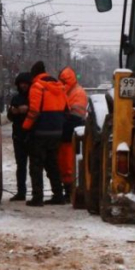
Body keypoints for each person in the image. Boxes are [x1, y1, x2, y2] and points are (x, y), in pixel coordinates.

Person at [22, 61, 68, 207]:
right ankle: (58, 195)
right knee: (52, 164)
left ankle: (37, 197)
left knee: (36, 165)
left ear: (34, 74)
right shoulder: (59, 86)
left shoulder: (37, 86)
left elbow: (34, 111)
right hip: (56, 132)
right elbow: (67, 109)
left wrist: (25, 128)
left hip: (40, 132)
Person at [57, 66, 88, 199]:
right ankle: (68, 189)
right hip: (69, 131)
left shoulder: (76, 92)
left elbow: (76, 114)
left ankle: (69, 189)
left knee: (68, 163)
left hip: (71, 131)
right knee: (65, 163)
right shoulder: (73, 91)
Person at [6, 72, 32, 201]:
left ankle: (36, 193)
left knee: (34, 166)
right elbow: (10, 117)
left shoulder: (34, 97)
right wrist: (13, 111)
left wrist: (27, 109)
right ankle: (21, 192)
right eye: (21, 83)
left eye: (25, 83)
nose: (23, 86)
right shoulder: (16, 98)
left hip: (32, 135)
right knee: (20, 165)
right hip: (18, 135)